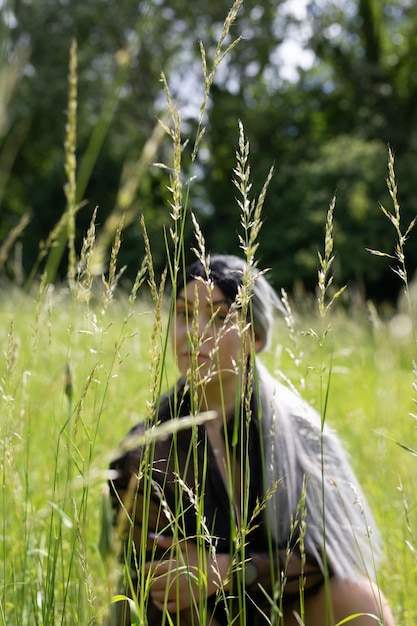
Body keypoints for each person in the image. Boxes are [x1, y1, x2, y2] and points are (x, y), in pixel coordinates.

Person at [109, 254, 396, 626]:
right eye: (183, 314)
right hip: (185, 613)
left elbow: (326, 557)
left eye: (218, 316)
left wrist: (228, 569)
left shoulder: (299, 431)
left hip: (275, 600)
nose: (194, 332)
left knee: (361, 601)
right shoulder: (148, 448)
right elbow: (147, 576)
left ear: (254, 337)